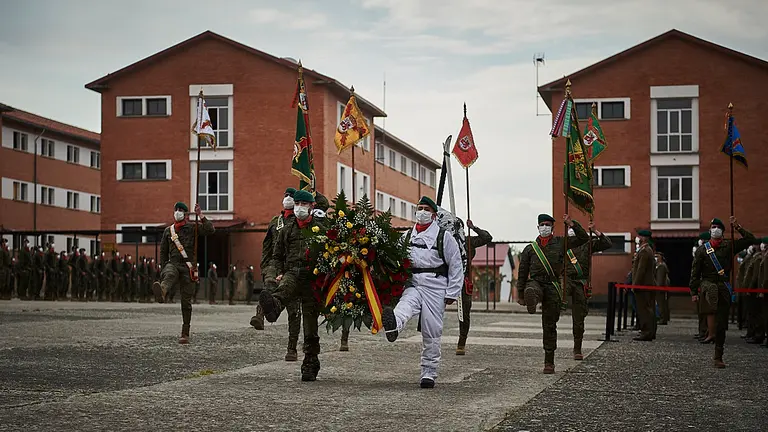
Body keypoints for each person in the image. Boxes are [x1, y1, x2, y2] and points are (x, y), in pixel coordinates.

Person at [381, 196, 463, 389]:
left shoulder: (444, 237)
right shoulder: (407, 236)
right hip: (413, 282)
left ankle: (429, 373)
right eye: (420, 208)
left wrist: (452, 292)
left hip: (436, 286)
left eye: (427, 209)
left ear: (434, 215)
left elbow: (456, 264)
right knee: (404, 306)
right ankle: (394, 326)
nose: (422, 212)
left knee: (431, 330)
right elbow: (396, 258)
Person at [258, 190, 326, 381]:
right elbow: (277, 256)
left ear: (312, 207)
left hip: (313, 278)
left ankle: (310, 363)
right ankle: (273, 307)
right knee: (285, 288)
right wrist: (276, 273)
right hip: (292, 272)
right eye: (297, 203)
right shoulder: (286, 230)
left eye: (304, 204)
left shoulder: (320, 230)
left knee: (310, 325)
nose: (299, 208)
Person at [516, 213, 588, 373]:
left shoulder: (561, 243)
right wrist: (520, 294)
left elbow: (583, 239)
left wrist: (572, 224)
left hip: (552, 285)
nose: (544, 228)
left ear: (552, 228)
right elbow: (522, 272)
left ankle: (549, 362)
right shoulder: (530, 249)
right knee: (532, 288)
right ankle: (531, 299)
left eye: (547, 225)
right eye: (542, 225)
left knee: (549, 325)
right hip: (535, 282)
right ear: (537, 227)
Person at [690, 217, 755, 368]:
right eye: (713, 227)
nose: (715, 229)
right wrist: (694, 291)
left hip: (723, 286)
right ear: (709, 230)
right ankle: (709, 331)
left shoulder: (729, 246)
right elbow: (695, 273)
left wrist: (737, 227)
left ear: (723, 231)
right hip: (708, 284)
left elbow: (750, 239)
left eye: (718, 227)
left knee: (721, 324)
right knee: (711, 295)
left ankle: (718, 355)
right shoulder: (702, 250)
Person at [251, 187, 303, 364]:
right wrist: (265, 267)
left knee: (294, 309)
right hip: (275, 263)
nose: (287, 198)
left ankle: (292, 348)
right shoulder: (275, 222)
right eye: (285, 195)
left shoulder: (299, 222)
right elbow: (267, 247)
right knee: (269, 285)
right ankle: (260, 315)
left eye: (291, 196)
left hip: (293, 268)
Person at [152, 202, 215, 344]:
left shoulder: (193, 227)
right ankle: (162, 291)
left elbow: (210, 230)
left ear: (186, 214)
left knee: (186, 302)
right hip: (173, 263)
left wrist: (200, 214)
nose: (178, 212)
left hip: (188, 266)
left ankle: (185, 332)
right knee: (169, 274)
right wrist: (163, 268)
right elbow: (163, 251)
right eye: (176, 210)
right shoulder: (168, 231)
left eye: (181, 210)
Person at [565, 221, 612, 360]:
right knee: (552, 308)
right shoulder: (562, 245)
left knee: (579, 319)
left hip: (580, 283)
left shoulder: (587, 244)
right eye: (569, 228)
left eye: (573, 228)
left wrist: (596, 231)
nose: (571, 230)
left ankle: (577, 348)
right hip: (565, 281)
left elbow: (607, 244)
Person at [456, 219, 493, 356]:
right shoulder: (444, 239)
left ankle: (462, 342)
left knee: (465, 311)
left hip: (463, 279)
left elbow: (487, 238)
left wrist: (473, 227)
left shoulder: (468, 241)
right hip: (444, 278)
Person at [632, 229, 656, 341]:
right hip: (646, 284)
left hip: (643, 285)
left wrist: (635, 285)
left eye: (640, 236)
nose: (638, 238)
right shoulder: (645, 250)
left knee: (644, 309)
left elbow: (641, 269)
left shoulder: (645, 251)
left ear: (644, 238)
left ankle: (646, 331)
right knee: (647, 308)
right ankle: (649, 331)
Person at [655, 252, 671, 325]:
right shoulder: (660, 265)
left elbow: (660, 279)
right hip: (662, 287)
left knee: (661, 303)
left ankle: (663, 319)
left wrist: (658, 287)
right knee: (662, 303)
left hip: (661, 288)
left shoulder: (661, 266)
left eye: (657, 256)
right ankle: (664, 317)